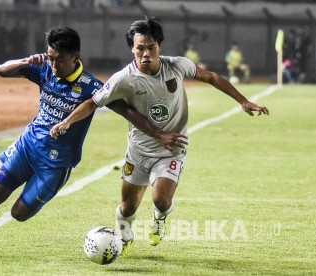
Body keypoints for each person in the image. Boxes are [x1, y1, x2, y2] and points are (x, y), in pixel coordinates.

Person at [50, 17, 269, 257]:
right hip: (139, 151)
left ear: (159, 47)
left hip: (172, 148)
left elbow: (212, 77)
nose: (145, 54)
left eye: (151, 47)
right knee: (127, 207)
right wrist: (67, 121)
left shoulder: (177, 66)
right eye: (140, 48)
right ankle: (125, 236)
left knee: (161, 200)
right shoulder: (123, 79)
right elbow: (93, 103)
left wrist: (243, 101)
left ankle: (159, 219)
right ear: (132, 49)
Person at [0, 26, 159, 258]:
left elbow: (125, 110)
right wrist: (27, 61)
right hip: (27, 147)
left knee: (19, 213)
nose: (53, 65)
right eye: (50, 58)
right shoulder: (44, 69)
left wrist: (159, 133)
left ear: (76, 57)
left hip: (55, 165)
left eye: (59, 60)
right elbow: (2, 71)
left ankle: (35, 191)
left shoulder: (91, 87)